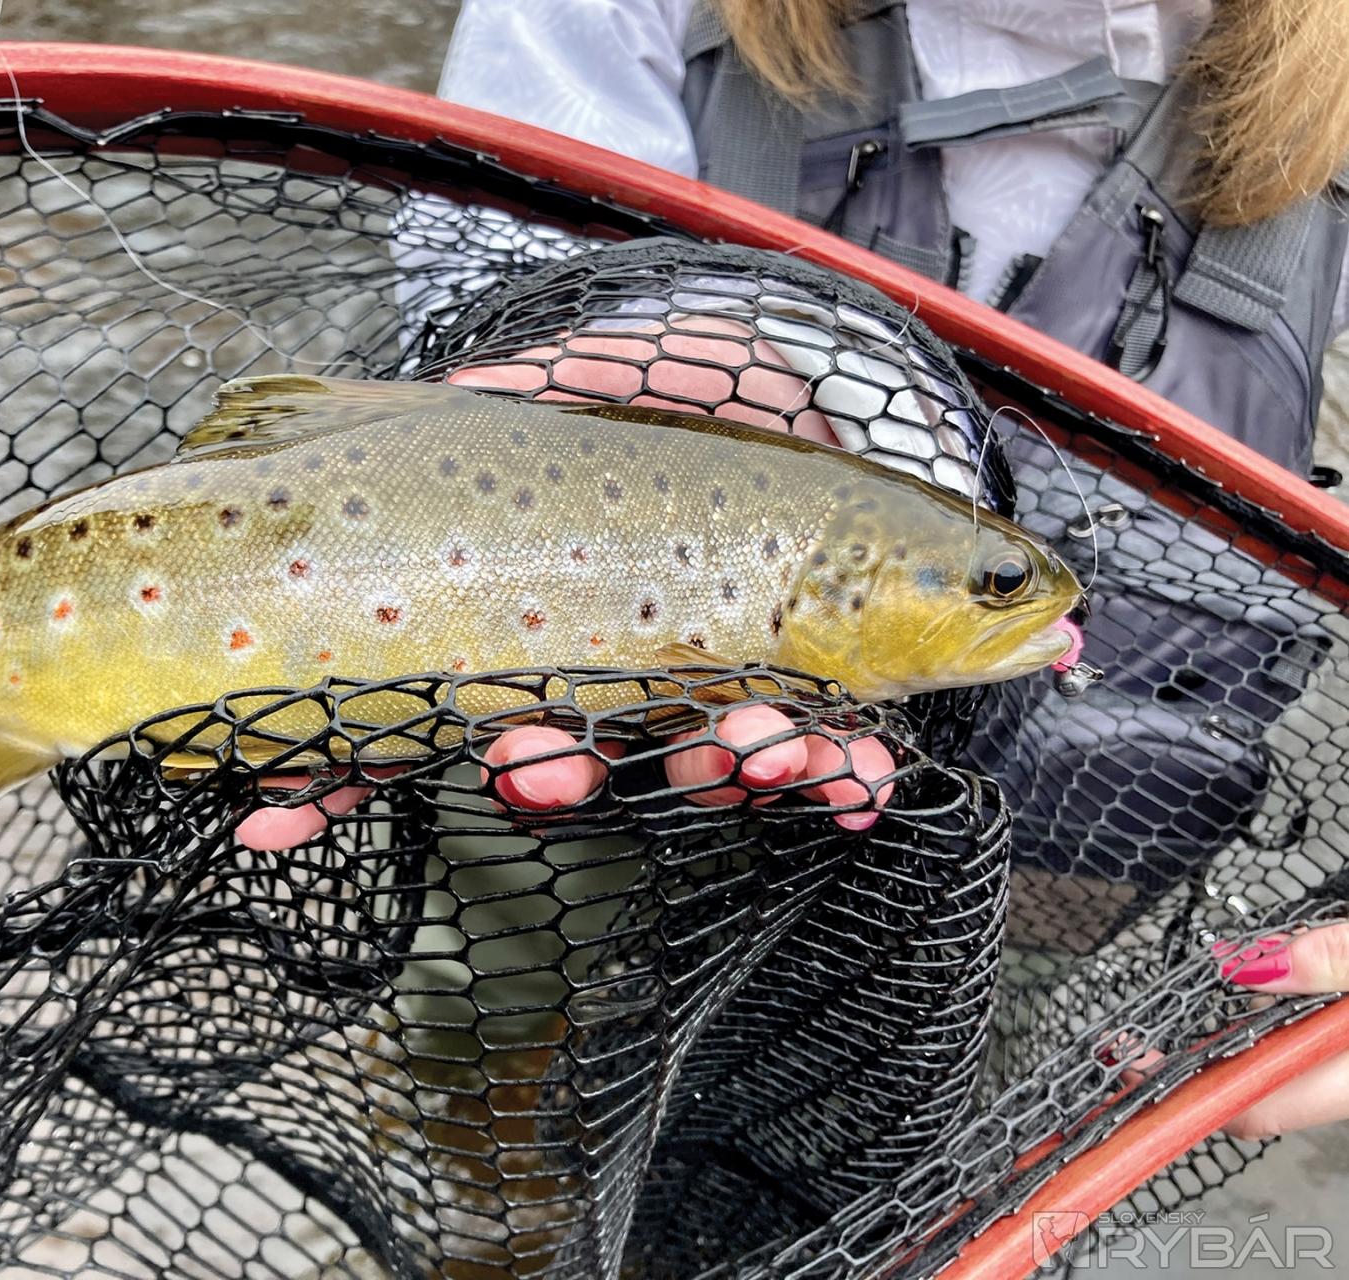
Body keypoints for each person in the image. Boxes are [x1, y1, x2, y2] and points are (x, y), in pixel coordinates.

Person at [419, 0, 1349, 1143]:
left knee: (897, 1131)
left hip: (1020, 887)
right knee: (499, 1086)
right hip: (575, 805)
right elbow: (480, 327)